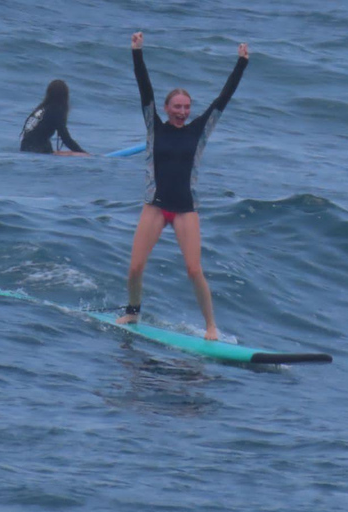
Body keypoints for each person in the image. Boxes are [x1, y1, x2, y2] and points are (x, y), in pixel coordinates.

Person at [117, 31, 249, 340]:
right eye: (177, 107)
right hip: (155, 206)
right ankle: (132, 313)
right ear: (166, 108)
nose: (182, 111)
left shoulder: (200, 131)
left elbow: (223, 99)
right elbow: (143, 88)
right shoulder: (154, 126)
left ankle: (211, 326)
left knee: (193, 270)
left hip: (186, 210)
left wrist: (241, 63)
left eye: (186, 107)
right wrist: (137, 52)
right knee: (136, 268)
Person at [19, 79, 88, 156]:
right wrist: (83, 153)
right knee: (78, 155)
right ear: (65, 96)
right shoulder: (56, 111)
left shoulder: (41, 109)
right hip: (36, 151)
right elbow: (65, 138)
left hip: (25, 148)